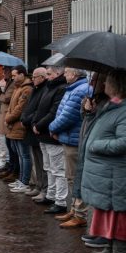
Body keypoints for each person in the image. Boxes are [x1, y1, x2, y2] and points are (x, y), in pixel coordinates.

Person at [80, 69, 126, 253]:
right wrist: (89, 112)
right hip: (104, 174)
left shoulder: (123, 111)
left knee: (118, 216)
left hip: (115, 175)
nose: (103, 84)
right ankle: (109, 248)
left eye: (107, 81)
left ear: (117, 85)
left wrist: (96, 145)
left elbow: (124, 142)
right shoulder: (110, 106)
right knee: (107, 213)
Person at [49, 68, 92, 224]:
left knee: (75, 178)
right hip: (69, 137)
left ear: (74, 75)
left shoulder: (79, 90)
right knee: (71, 177)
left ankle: (80, 213)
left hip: (74, 139)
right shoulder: (74, 89)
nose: (64, 75)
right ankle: (74, 209)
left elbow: (67, 116)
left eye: (66, 72)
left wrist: (52, 128)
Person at [76, 73, 110, 249]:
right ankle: (99, 232)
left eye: (96, 80)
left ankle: (106, 237)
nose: (91, 83)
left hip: (100, 155)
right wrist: (87, 110)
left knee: (103, 198)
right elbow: (89, 122)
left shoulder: (110, 104)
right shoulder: (96, 99)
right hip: (89, 148)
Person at [31, 66, 67, 206]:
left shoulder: (61, 88)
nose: (47, 76)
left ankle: (60, 200)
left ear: (57, 73)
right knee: (48, 167)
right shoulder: (49, 87)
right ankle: (50, 195)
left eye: (49, 74)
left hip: (50, 134)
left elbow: (54, 112)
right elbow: (39, 108)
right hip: (42, 134)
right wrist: (35, 122)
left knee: (58, 170)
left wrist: (39, 125)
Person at [4, 66, 34, 193]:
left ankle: (25, 181)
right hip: (13, 126)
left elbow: (19, 108)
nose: (13, 77)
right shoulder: (18, 87)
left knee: (24, 155)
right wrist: (8, 116)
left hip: (19, 126)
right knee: (19, 155)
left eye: (15, 75)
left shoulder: (26, 89)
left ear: (22, 74)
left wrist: (8, 118)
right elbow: (11, 106)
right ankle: (21, 178)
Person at [20, 67, 48, 197]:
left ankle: (44, 187)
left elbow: (39, 111)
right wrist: (23, 117)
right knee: (36, 160)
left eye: (35, 77)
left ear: (42, 77)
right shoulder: (35, 89)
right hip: (30, 128)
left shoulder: (44, 90)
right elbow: (28, 106)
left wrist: (27, 120)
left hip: (37, 128)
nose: (33, 79)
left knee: (42, 162)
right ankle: (38, 185)